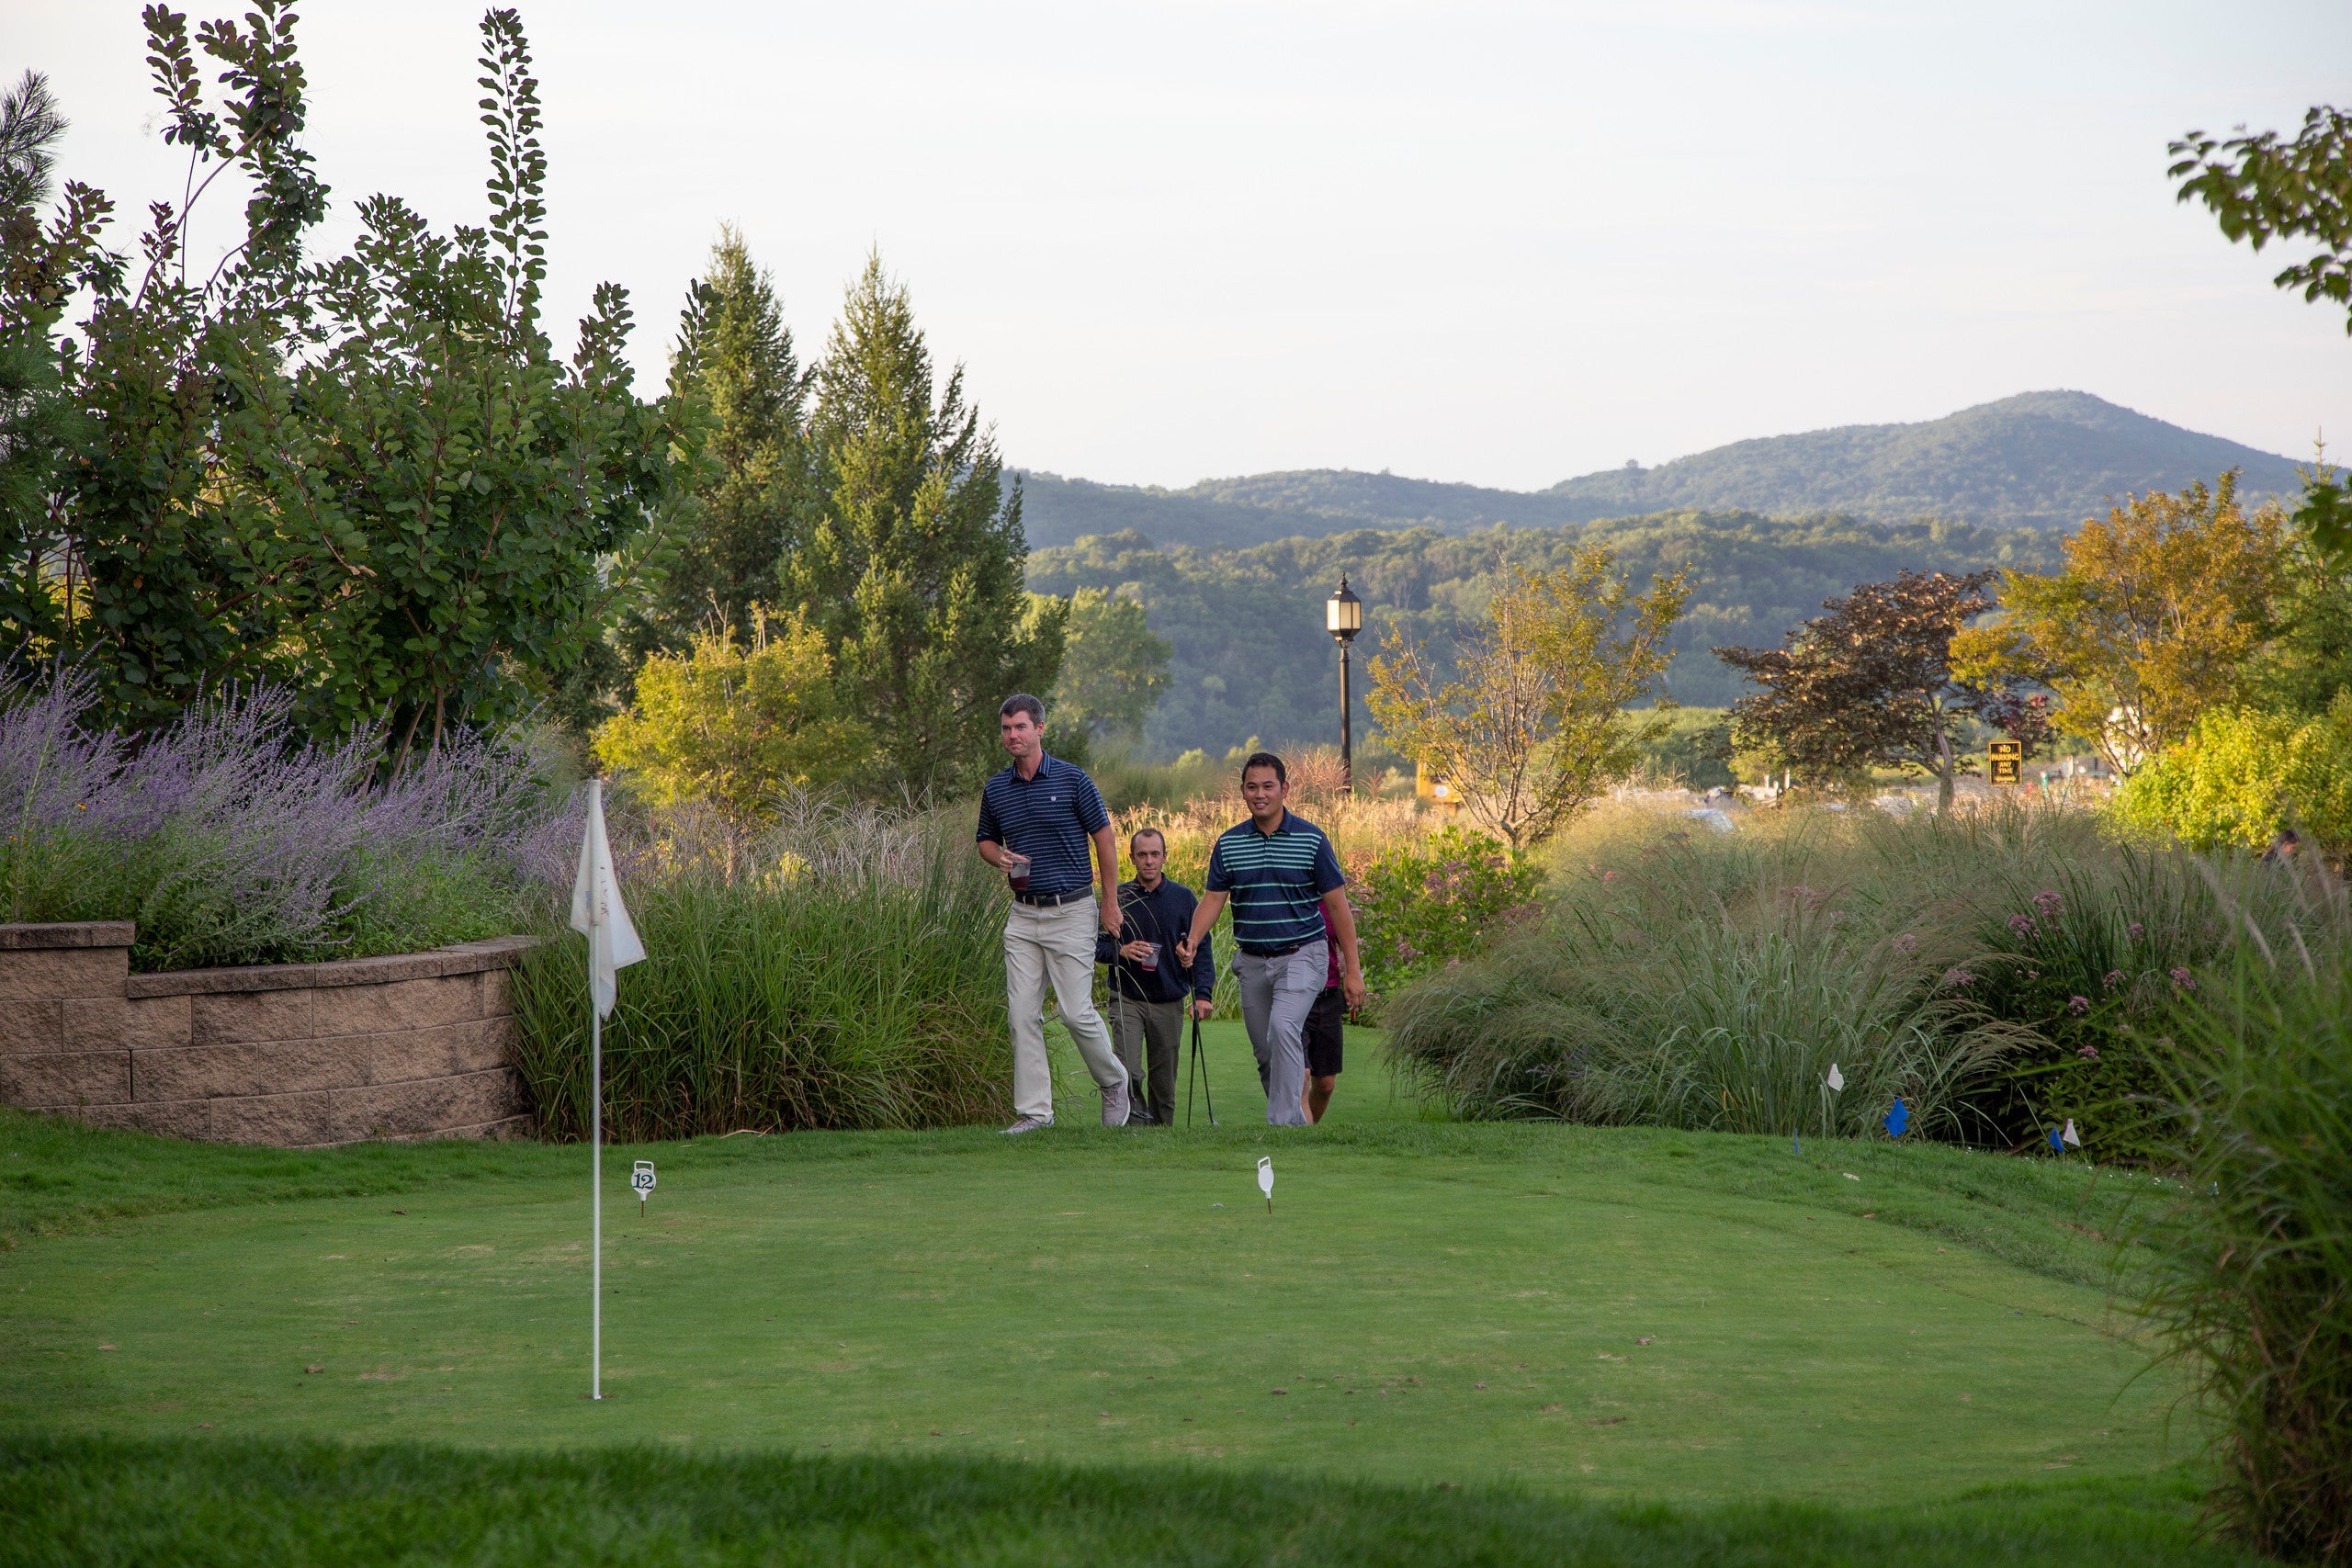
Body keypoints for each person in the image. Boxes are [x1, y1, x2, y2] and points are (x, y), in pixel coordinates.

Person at [1176, 751, 1365, 1127]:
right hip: (1251, 961)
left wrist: (1353, 970)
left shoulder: (1312, 840)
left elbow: (1339, 907)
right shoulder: (1229, 844)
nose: (1259, 794)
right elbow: (1214, 899)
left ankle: (1285, 1128)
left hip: (1303, 954)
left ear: (1285, 790)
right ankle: (1294, 1125)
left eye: (1268, 786)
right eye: (1251, 787)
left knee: (1283, 1027)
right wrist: (1194, 939)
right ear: (1242, 792)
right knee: (1266, 1053)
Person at [975, 694, 1130, 1134]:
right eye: (1006, 729)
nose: (1012, 736)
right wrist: (998, 857)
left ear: (1040, 728)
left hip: (1073, 909)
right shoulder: (996, 788)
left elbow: (1104, 839)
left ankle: (1114, 1081)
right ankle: (1036, 1114)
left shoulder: (1073, 779)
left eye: (1020, 727)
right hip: (1023, 916)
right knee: (1021, 1014)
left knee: (1075, 1012)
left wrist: (1111, 902)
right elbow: (985, 840)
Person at [1096, 828, 1216, 1126]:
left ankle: (1163, 1135)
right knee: (1129, 1071)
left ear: (1164, 857)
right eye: (1142, 855)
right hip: (1127, 997)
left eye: (1155, 854)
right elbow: (1092, 946)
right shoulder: (1118, 897)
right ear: (1132, 858)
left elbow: (1201, 947)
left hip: (1168, 998)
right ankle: (1135, 1131)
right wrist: (1120, 951)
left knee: (1164, 1080)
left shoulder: (1183, 898)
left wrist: (1202, 993)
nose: (1149, 861)